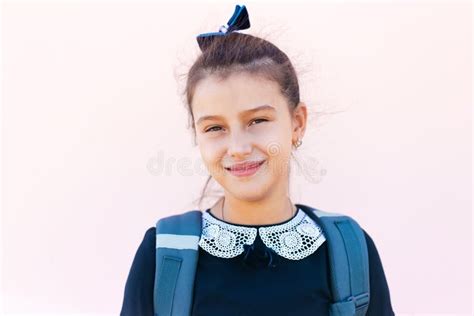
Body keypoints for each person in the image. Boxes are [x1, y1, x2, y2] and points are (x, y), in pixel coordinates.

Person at [120, 5, 395, 316]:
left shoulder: (349, 250)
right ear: (196, 133)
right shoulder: (163, 255)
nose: (237, 147)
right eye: (214, 127)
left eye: (257, 121)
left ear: (297, 122)